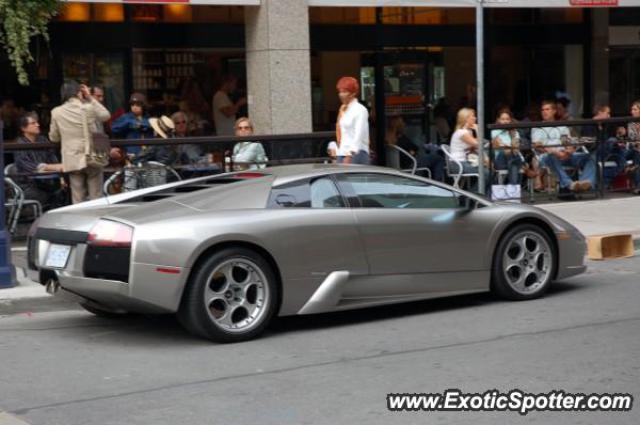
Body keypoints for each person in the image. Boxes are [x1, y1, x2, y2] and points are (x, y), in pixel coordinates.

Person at [49, 81, 110, 204]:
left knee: (77, 197)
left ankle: (79, 222)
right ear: (79, 93)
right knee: (96, 197)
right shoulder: (88, 108)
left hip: (72, 158)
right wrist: (90, 97)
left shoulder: (56, 112)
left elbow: (54, 138)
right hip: (92, 156)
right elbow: (106, 115)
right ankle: (95, 221)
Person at [533, 100, 596, 196]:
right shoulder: (537, 127)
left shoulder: (562, 126)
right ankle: (569, 184)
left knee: (590, 156)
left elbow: (567, 142)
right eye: (542, 110)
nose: (544, 112)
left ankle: (584, 183)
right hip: (548, 157)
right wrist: (555, 152)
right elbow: (537, 145)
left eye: (547, 109)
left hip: (565, 155)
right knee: (551, 156)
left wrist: (569, 151)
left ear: (554, 111)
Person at [13, 112, 66, 210]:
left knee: (65, 192)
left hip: (48, 182)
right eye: (33, 123)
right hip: (29, 185)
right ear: (23, 128)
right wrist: (52, 167)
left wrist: (61, 178)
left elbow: (53, 159)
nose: (37, 125)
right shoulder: (19, 144)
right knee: (49, 196)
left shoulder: (43, 140)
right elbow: (28, 166)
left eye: (37, 122)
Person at [386, 115, 444, 181]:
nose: (405, 125)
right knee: (438, 158)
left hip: (404, 164)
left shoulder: (390, 138)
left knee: (430, 158)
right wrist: (412, 153)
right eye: (403, 123)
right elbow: (415, 148)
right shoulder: (401, 138)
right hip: (411, 163)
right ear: (399, 126)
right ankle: (438, 181)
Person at [449, 108, 490, 192]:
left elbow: (474, 148)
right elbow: (479, 144)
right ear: (466, 118)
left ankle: (482, 194)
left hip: (463, 162)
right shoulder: (462, 133)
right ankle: (472, 196)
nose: (475, 118)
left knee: (487, 168)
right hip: (457, 164)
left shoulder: (467, 132)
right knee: (485, 172)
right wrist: (478, 130)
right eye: (473, 116)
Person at [335, 76, 370, 165]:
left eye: (344, 92)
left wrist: (350, 155)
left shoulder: (360, 110)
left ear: (353, 93)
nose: (341, 94)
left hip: (357, 153)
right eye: (340, 91)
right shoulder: (344, 110)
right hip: (342, 152)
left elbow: (359, 134)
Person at [110, 92, 153, 157]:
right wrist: (128, 123)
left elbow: (152, 127)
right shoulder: (125, 117)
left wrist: (142, 125)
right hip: (132, 151)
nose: (134, 107)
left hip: (147, 152)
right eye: (132, 105)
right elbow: (114, 128)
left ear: (143, 106)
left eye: (138, 105)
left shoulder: (148, 118)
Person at [491, 108, 525, 185]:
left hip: (513, 158)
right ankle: (514, 188)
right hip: (500, 161)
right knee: (508, 154)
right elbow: (500, 147)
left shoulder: (515, 133)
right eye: (502, 119)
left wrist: (512, 138)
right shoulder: (494, 132)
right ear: (498, 120)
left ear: (510, 120)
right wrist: (511, 147)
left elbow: (516, 150)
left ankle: (512, 187)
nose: (505, 121)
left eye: (507, 119)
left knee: (513, 162)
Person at [627, 100, 640, 194]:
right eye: (632, 109)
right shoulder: (631, 123)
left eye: (635, 109)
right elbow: (632, 140)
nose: (632, 111)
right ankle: (638, 186)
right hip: (633, 149)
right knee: (637, 153)